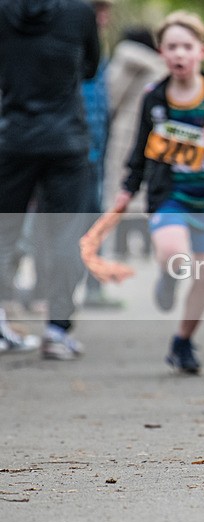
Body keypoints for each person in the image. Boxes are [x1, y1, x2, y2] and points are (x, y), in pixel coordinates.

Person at [113, 10, 204, 374]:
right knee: (173, 253)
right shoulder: (154, 98)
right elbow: (140, 148)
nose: (179, 54)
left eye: (186, 46)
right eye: (171, 47)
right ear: (161, 53)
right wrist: (127, 189)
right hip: (169, 194)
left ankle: (183, 341)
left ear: (201, 51)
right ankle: (169, 277)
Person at [0, 0, 100, 358]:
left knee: (4, 233)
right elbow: (89, 68)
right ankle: (57, 331)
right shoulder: (80, 13)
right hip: (66, 139)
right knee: (66, 233)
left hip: (12, 138)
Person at [104, 27, 168, 259]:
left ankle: (122, 246)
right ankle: (147, 245)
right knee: (144, 187)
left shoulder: (125, 58)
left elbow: (111, 93)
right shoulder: (159, 65)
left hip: (125, 130)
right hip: (153, 131)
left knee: (121, 186)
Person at [81, 0, 122, 309]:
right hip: (74, 147)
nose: (103, 18)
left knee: (96, 215)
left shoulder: (101, 49)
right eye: (97, 11)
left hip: (97, 149)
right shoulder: (72, 44)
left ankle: (95, 284)